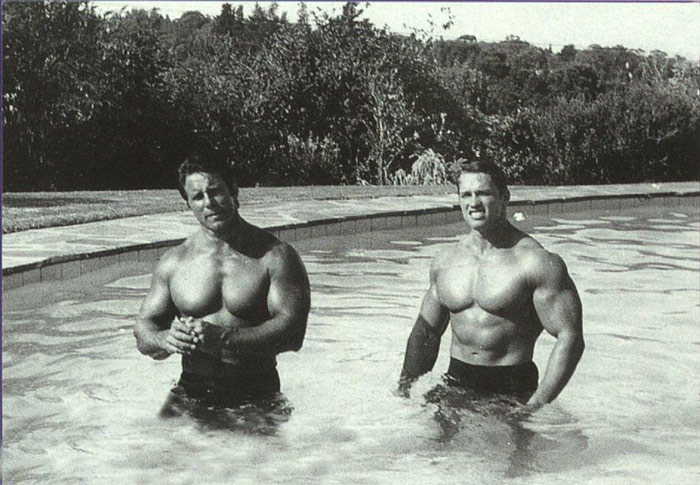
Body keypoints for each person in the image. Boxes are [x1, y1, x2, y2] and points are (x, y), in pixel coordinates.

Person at [398, 159, 584, 411]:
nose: (473, 203)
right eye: (466, 194)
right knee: (433, 451)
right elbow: (426, 331)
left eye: (483, 193)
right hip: (456, 381)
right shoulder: (446, 260)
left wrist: (537, 404)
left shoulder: (535, 261)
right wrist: (406, 388)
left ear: (504, 197)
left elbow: (569, 337)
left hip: (511, 389)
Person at [134, 153, 311, 413]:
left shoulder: (275, 256)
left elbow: (293, 334)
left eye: (215, 191)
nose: (209, 203)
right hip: (191, 390)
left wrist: (225, 338)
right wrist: (165, 339)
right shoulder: (174, 262)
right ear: (188, 204)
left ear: (234, 191)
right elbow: (144, 329)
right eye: (197, 197)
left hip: (257, 393)